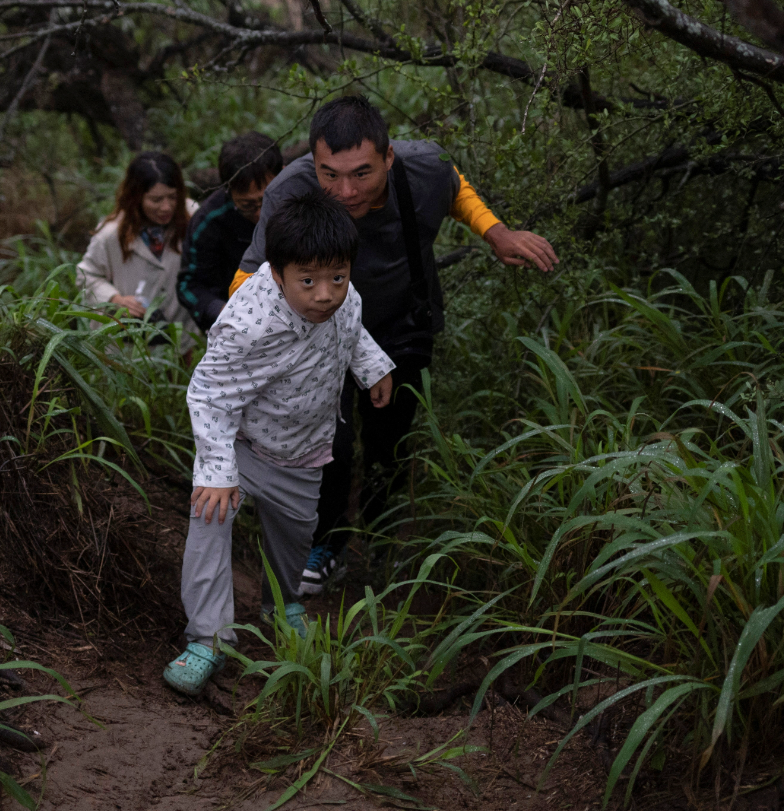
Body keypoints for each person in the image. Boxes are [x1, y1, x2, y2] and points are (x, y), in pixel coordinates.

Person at [231, 96, 557, 594]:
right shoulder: (291, 191)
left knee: (390, 442)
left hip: (403, 321)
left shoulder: (423, 166)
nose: (345, 191)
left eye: (361, 173)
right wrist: (239, 345)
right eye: (330, 174)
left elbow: (455, 186)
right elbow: (250, 274)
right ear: (312, 163)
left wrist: (495, 232)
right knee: (329, 443)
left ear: (388, 157)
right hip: (318, 334)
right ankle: (327, 544)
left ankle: (381, 541)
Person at [165, 190, 393, 696]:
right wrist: (220, 473)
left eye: (337, 276)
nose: (325, 294)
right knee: (209, 521)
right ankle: (207, 639)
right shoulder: (248, 324)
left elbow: (352, 330)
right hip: (242, 448)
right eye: (307, 281)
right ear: (276, 272)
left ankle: (282, 603)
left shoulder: (344, 297)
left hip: (304, 451)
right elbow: (209, 395)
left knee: (293, 540)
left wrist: (372, 367)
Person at [77, 151, 199, 353]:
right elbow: (85, 276)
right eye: (156, 200)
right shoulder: (111, 235)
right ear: (136, 197)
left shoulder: (190, 216)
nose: (166, 207)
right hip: (125, 344)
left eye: (172, 197)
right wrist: (115, 299)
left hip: (178, 332)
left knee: (178, 382)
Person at [177, 131, 283, 331]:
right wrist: (224, 312)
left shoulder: (304, 196)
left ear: (283, 174)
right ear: (228, 190)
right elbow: (190, 286)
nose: (261, 214)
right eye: (248, 205)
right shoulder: (209, 221)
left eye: (268, 200)